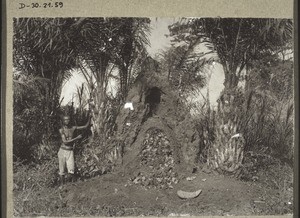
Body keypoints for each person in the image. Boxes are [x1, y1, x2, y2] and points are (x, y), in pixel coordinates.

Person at [58, 115, 91, 188]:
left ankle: (70, 186)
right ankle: (61, 186)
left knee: (71, 169)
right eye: (65, 120)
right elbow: (65, 142)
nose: (67, 121)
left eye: (68, 119)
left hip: (70, 151)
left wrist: (90, 117)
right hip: (62, 151)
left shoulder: (73, 128)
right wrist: (76, 138)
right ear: (63, 121)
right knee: (62, 170)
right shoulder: (61, 130)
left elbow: (85, 126)